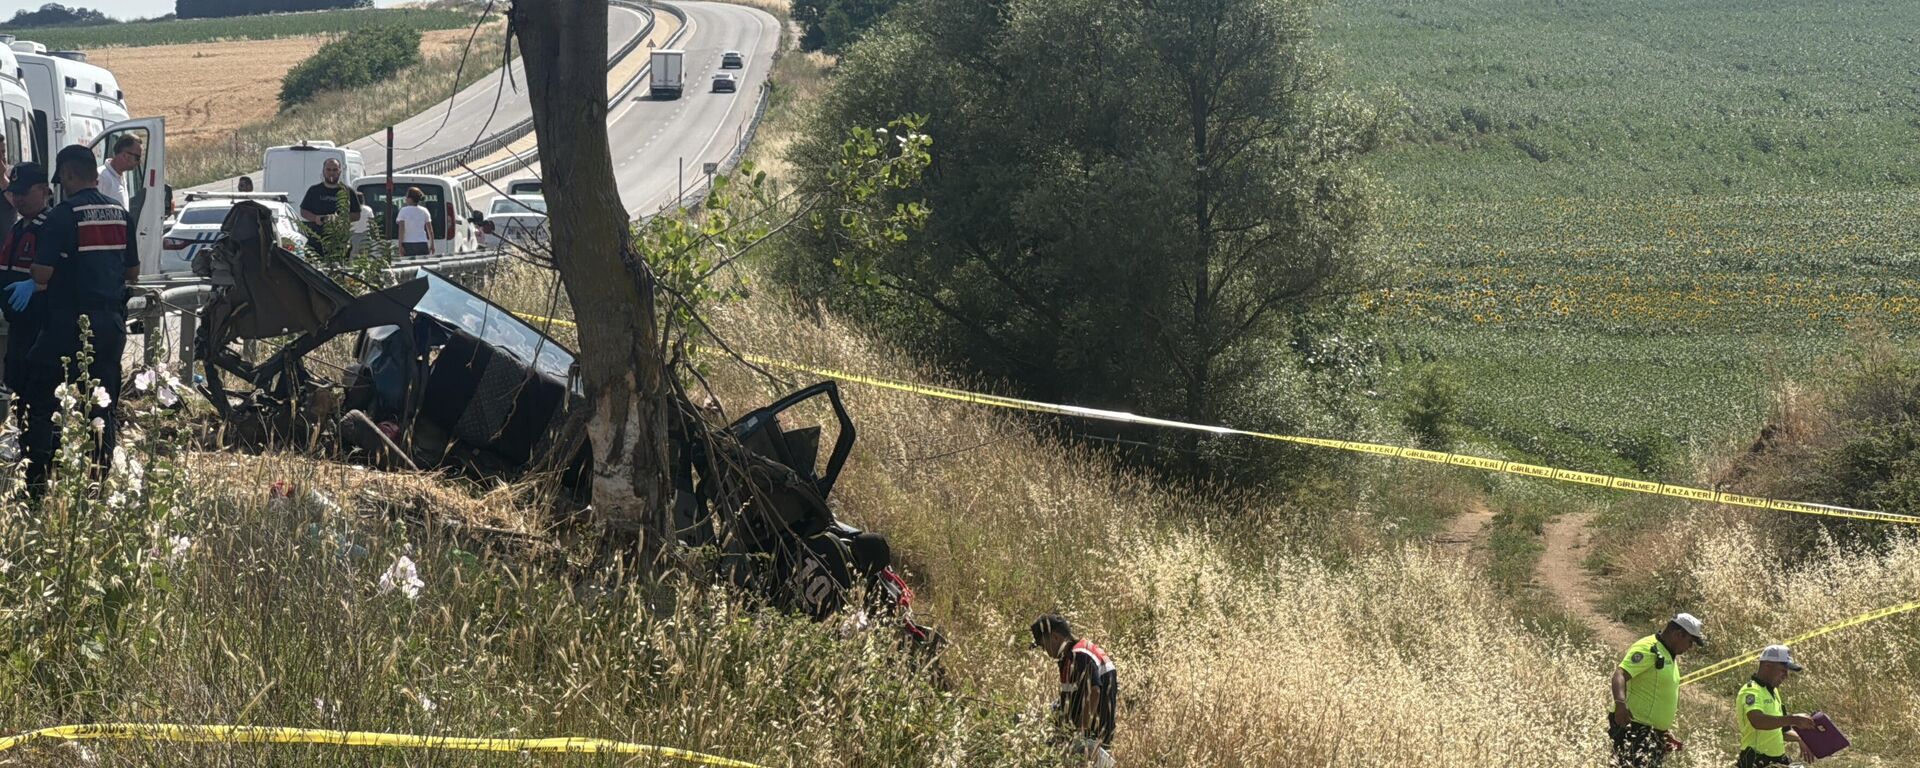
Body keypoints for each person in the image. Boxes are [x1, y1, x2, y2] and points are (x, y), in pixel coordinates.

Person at [13, 146, 139, 492]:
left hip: (67, 322)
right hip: (110, 324)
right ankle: (96, 487)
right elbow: (132, 271)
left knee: (43, 400)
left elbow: (42, 272)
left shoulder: (63, 215)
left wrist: (37, 276)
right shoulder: (120, 213)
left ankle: (38, 487)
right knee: (102, 405)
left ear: (68, 174)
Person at [1610, 612, 1707, 768]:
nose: (1690, 647)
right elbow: (1620, 674)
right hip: (1634, 726)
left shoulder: (1668, 654)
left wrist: (1662, 732)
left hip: (1651, 732)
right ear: (1678, 634)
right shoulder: (1649, 648)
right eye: (1690, 642)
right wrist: (1620, 704)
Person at [1030, 614, 1117, 767]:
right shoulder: (1074, 655)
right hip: (1095, 737)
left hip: (1091, 739)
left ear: (1055, 637)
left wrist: (1080, 733)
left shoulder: (1079, 655)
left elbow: (1094, 691)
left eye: (1044, 646)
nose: (1045, 651)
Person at [0, 163, 50, 421]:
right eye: (15, 193)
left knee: (39, 402)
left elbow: (67, 273)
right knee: (16, 388)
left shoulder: (51, 226)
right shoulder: (18, 228)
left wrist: (37, 285)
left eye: (24, 192)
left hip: (41, 328)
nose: (18, 199)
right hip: (17, 326)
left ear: (43, 190)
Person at [1737, 645, 1819, 767]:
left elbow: (1782, 731)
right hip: (1756, 761)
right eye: (1783, 670)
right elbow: (1758, 721)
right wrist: (1794, 719)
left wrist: (1800, 738)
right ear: (1767, 666)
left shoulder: (1774, 692)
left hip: (1777, 760)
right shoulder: (1751, 691)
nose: (1786, 676)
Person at [298, 158, 361, 259]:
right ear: (323, 171)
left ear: (340, 171)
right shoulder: (314, 190)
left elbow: (356, 215)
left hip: (339, 242)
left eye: (335, 170)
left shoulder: (348, 191)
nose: (331, 173)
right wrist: (316, 218)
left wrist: (340, 219)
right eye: (328, 169)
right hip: (316, 241)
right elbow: (303, 211)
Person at [98, 135, 142, 208]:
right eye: (137, 158)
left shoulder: (122, 176)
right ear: (124, 155)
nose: (139, 162)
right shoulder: (101, 177)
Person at [395, 187, 432, 257]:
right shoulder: (424, 211)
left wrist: (400, 245)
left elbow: (401, 230)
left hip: (408, 244)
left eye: (406, 196)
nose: (405, 198)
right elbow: (430, 230)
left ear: (410, 199)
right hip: (422, 243)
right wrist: (432, 244)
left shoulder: (403, 211)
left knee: (409, 263)